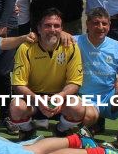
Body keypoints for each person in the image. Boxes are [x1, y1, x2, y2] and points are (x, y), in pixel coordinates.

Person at [9, 8, 85, 141]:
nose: (52, 30)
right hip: (34, 99)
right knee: (16, 107)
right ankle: (28, 130)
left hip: (59, 98)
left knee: (78, 108)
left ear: (62, 29)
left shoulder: (71, 47)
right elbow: (18, 85)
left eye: (56, 26)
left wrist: (60, 96)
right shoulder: (26, 48)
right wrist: (39, 100)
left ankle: (61, 129)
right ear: (39, 28)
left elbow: (75, 83)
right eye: (47, 25)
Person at [75, 8, 118, 137]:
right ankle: (83, 126)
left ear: (109, 25)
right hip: (83, 98)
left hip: (109, 99)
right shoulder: (75, 41)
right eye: (96, 23)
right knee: (87, 120)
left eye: (104, 23)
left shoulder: (115, 46)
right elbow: (54, 37)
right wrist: (63, 34)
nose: (100, 27)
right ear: (87, 24)